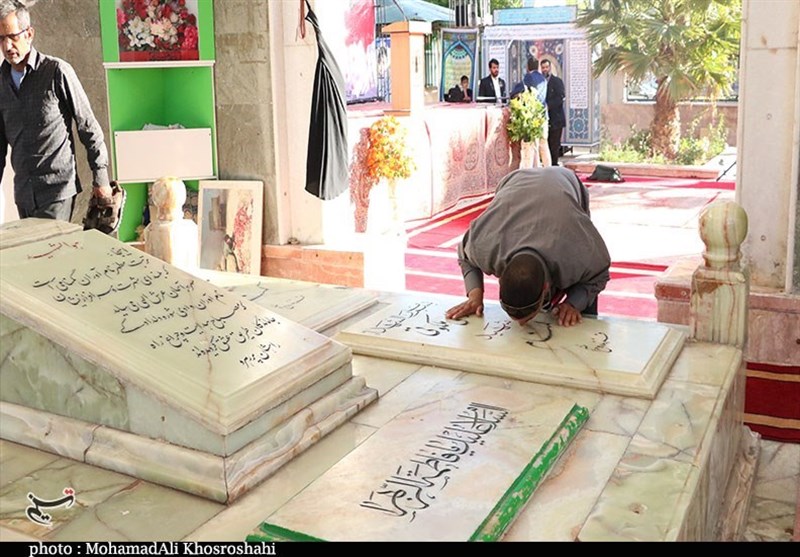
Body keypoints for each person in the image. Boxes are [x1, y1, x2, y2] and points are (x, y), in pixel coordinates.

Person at [445, 166, 610, 327]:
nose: (522, 325)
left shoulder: (576, 248)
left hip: (564, 185)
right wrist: (475, 296)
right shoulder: (486, 243)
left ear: (546, 287)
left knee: (579, 312)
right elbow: (465, 255)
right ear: (500, 280)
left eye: (527, 317)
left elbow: (599, 274)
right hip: (516, 182)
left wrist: (574, 303)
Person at [0, 0, 112, 221]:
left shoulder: (56, 72)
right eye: (1, 38)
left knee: (51, 244)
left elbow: (88, 125)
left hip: (57, 191)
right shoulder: (1, 83)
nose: (7, 46)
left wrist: (101, 178)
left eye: (12, 36)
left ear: (29, 34)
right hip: (24, 194)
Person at [509, 58, 550, 167]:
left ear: (527, 67)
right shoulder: (544, 79)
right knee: (544, 145)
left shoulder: (529, 77)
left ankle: (530, 171)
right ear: (538, 66)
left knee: (530, 146)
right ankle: (549, 168)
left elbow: (518, 90)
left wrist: (513, 94)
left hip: (532, 116)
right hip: (543, 116)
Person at [541, 59, 566, 166]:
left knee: (554, 146)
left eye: (547, 67)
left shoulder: (557, 81)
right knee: (545, 145)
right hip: (544, 120)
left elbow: (560, 98)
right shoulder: (540, 82)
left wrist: (548, 106)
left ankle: (554, 167)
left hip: (556, 119)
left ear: (550, 68)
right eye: (543, 68)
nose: (545, 69)